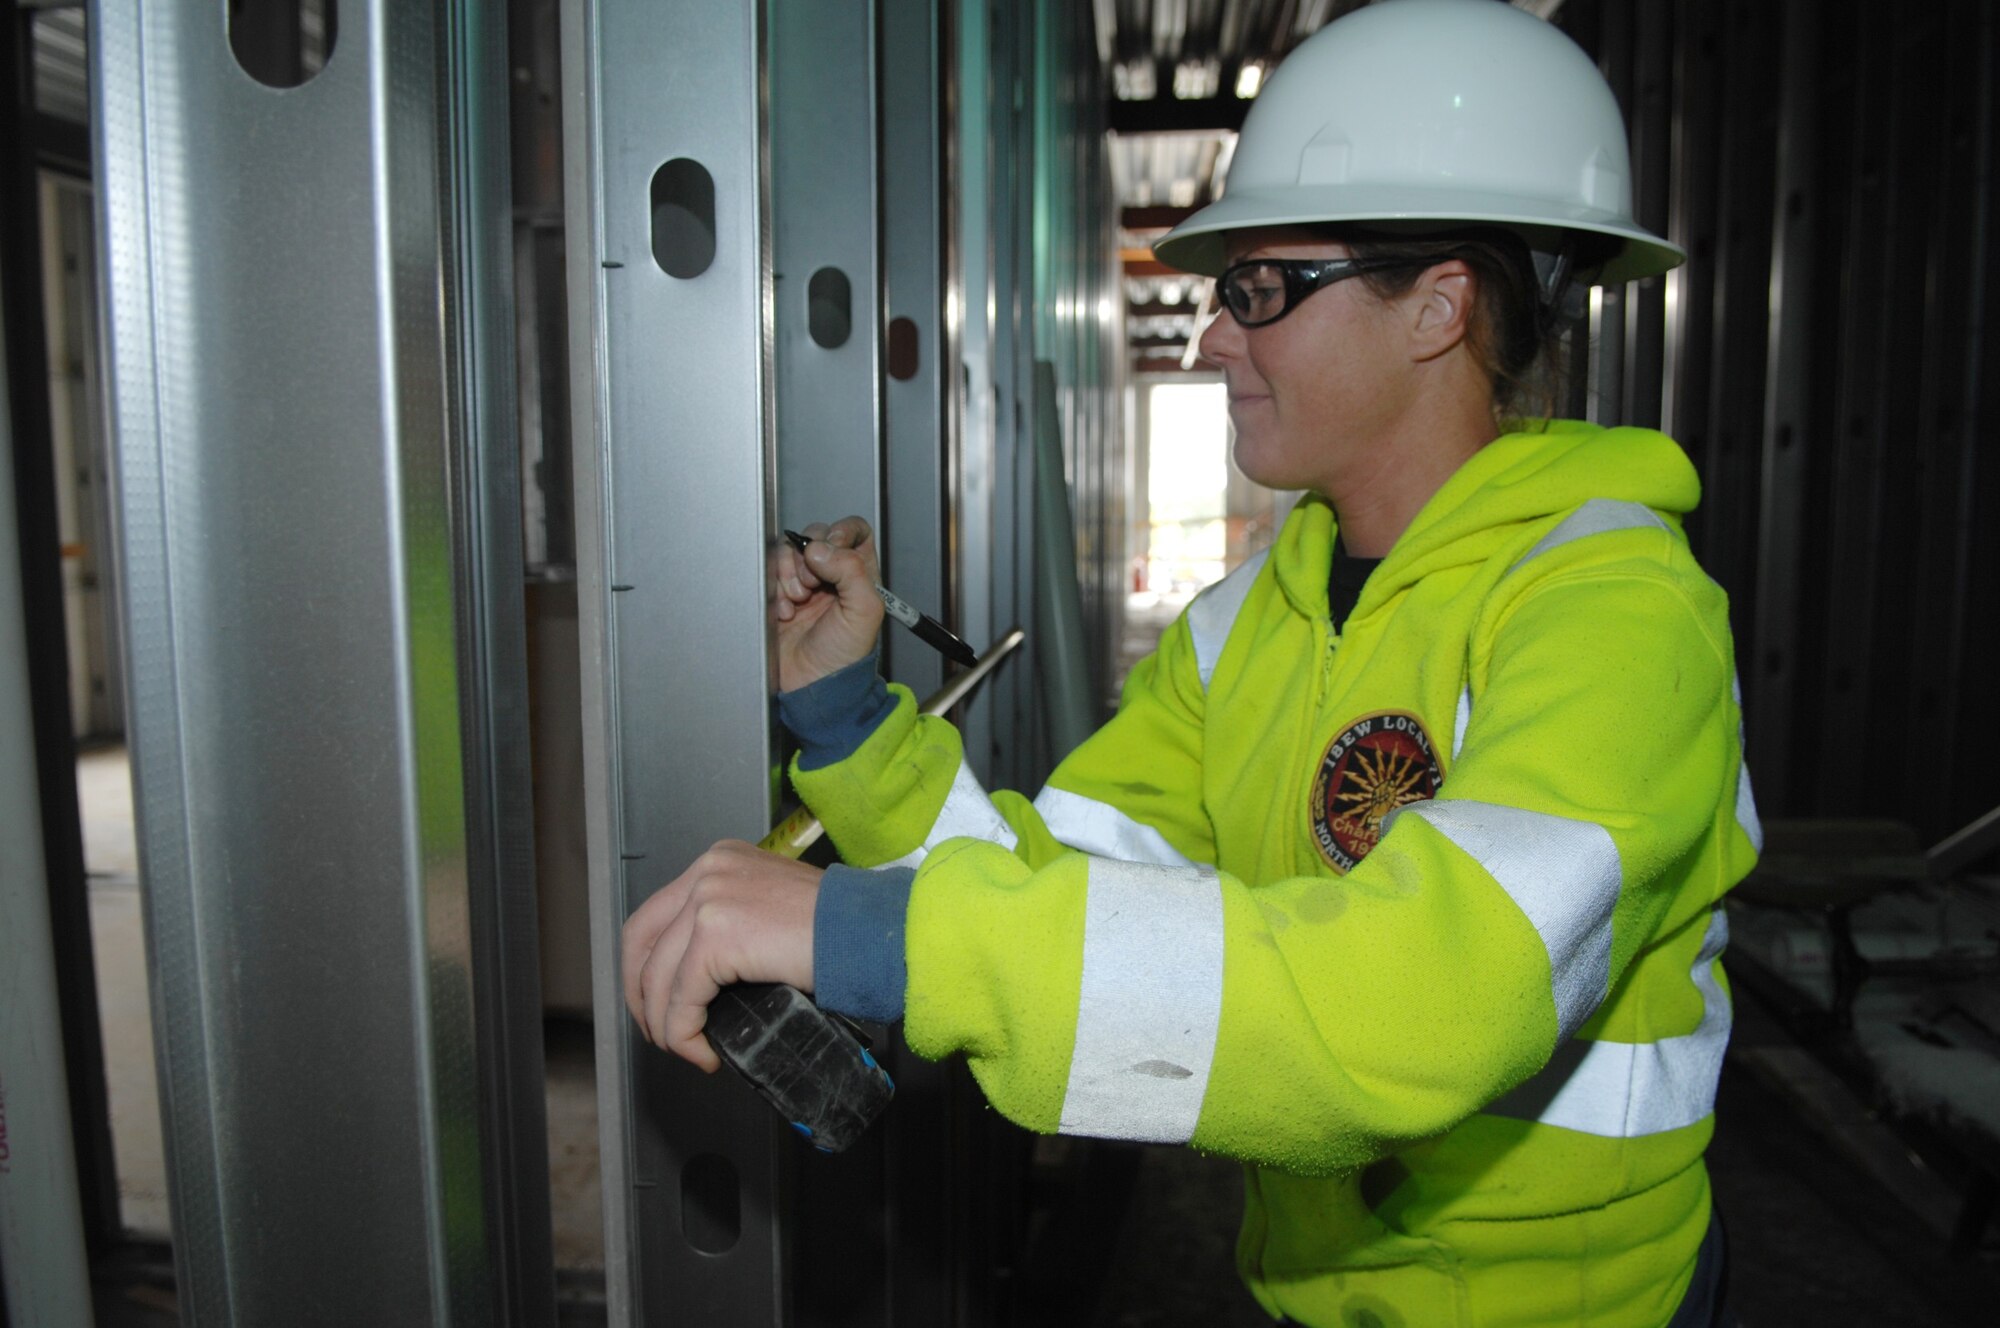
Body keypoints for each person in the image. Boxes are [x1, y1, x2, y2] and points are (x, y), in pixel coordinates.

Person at [622, 1, 1760, 1323]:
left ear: (1438, 307)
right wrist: (844, 720)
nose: (1215, 335)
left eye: (1260, 290)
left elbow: (1420, 1009)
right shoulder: (1246, 629)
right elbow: (1027, 898)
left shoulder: (1618, 616)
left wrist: (861, 929)